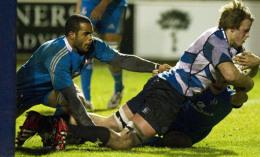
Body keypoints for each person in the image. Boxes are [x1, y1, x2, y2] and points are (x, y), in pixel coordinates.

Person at [18, 0, 255, 150]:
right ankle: (63, 129)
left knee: (110, 122)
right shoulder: (218, 41)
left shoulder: (225, 42)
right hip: (168, 95)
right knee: (122, 140)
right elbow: (231, 75)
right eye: (245, 30)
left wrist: (257, 63)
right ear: (231, 28)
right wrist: (251, 81)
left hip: (161, 84)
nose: (247, 35)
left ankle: (46, 122)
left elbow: (121, 59)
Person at [15, 14, 170, 150]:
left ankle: (44, 125)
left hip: (50, 90)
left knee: (77, 101)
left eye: (91, 33)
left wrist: (156, 67)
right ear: (71, 35)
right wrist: (94, 134)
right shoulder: (59, 56)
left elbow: (121, 60)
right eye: (86, 34)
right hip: (20, 92)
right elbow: (72, 100)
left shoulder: (93, 45)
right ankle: (44, 125)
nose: (90, 38)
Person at [76, 0, 128, 110]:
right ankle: (87, 100)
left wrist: (102, 5)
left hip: (114, 5)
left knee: (112, 53)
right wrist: (78, 8)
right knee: (85, 48)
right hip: (89, 3)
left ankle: (118, 88)